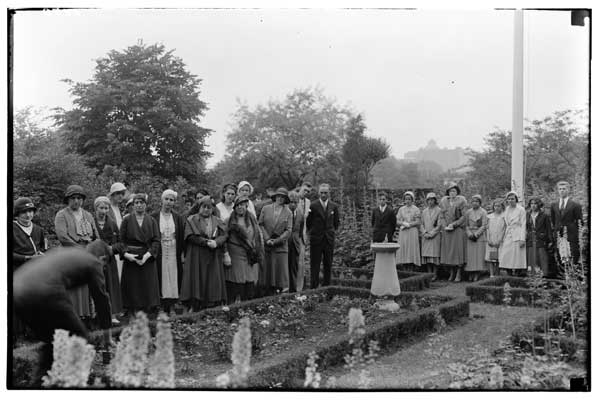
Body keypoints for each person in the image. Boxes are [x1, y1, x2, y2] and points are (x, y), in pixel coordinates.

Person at [13, 243, 112, 387]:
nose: (102, 268)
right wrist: (107, 335)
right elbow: (101, 299)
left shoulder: (69, 252)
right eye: (104, 265)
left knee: (54, 342)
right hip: (44, 292)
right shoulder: (93, 261)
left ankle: (40, 385)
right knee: (80, 341)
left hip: (17, 292)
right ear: (103, 257)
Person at [54, 185, 99, 320]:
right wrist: (79, 249)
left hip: (86, 253)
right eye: (73, 198)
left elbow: (96, 234)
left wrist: (94, 247)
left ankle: (86, 316)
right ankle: (73, 317)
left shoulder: (88, 215)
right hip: (70, 254)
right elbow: (62, 236)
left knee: (86, 286)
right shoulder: (62, 215)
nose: (76, 201)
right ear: (67, 199)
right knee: (73, 286)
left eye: (79, 198)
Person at [180, 196, 228, 310]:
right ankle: (195, 304)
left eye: (209, 207)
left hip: (213, 255)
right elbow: (190, 236)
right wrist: (206, 242)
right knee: (197, 278)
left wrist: (216, 242)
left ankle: (212, 304)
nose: (206, 209)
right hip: (197, 254)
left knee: (212, 279)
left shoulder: (218, 220)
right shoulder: (191, 219)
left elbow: (225, 235)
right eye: (204, 207)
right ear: (199, 207)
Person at [119, 193, 161, 315]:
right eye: (136, 203)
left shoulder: (152, 220)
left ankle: (147, 310)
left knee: (146, 285)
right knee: (132, 285)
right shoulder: (127, 220)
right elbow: (121, 240)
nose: (139, 205)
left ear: (145, 204)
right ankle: (131, 310)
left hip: (146, 257)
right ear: (133, 205)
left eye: (141, 202)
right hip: (131, 257)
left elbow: (156, 240)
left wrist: (148, 255)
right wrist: (127, 255)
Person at [150, 189, 185, 314]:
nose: (169, 202)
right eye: (167, 199)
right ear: (162, 200)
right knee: (161, 275)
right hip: (160, 251)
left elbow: (181, 235)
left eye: (171, 200)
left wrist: (181, 253)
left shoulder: (178, 217)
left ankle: (171, 305)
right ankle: (160, 305)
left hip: (173, 250)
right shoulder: (153, 216)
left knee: (173, 275)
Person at [225, 196, 262, 303]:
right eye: (238, 205)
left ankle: (247, 309)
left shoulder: (252, 219)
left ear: (247, 206)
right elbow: (224, 239)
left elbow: (257, 236)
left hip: (249, 256)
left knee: (249, 284)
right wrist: (225, 254)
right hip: (235, 256)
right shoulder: (229, 221)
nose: (240, 207)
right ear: (235, 207)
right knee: (236, 284)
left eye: (243, 205)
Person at [93, 196, 123, 323]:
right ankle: (96, 313)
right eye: (101, 208)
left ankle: (112, 314)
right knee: (98, 286)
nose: (104, 211)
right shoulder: (90, 222)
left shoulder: (112, 223)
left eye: (106, 208)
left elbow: (121, 243)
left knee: (111, 286)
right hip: (95, 260)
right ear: (95, 208)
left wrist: (112, 248)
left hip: (109, 261)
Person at [259, 187, 293, 294]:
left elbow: (288, 230)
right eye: (278, 196)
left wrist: (277, 241)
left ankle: (279, 295)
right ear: (275, 197)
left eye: (283, 197)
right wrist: (267, 239)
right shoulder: (266, 208)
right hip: (267, 246)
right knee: (266, 275)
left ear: (285, 199)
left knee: (280, 277)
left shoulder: (288, 212)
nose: (280, 199)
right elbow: (260, 224)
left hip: (280, 248)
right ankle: (265, 294)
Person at [306, 183, 340, 289]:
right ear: (318, 193)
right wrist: (314, 232)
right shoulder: (313, 205)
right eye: (322, 193)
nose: (324, 195)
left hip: (329, 239)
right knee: (315, 265)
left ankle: (327, 289)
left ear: (329, 193)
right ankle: (313, 289)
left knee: (328, 265)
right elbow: (309, 223)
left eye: (326, 193)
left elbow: (336, 223)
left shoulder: (334, 206)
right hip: (316, 239)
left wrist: (330, 232)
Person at [550, 181, 583, 268]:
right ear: (558, 190)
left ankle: (572, 276)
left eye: (564, 189)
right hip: (558, 235)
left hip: (571, 234)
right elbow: (553, 220)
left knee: (572, 255)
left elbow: (580, 221)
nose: (562, 191)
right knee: (560, 254)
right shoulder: (554, 205)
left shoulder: (575, 205)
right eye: (560, 189)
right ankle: (562, 277)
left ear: (568, 190)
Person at [439, 182, 468, 282]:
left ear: (457, 192)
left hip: (458, 230)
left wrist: (454, 224)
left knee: (458, 252)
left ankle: (459, 273)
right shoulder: (444, 201)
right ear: (447, 192)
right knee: (449, 252)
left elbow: (464, 216)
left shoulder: (462, 201)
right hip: (447, 231)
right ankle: (452, 272)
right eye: (450, 191)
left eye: (454, 191)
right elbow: (441, 216)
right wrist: (445, 225)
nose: (452, 193)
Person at [12, 197, 46, 270]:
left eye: (30, 211)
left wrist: (41, 253)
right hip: (18, 269)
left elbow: (42, 248)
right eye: (24, 212)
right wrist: (27, 258)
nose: (28, 215)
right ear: (17, 214)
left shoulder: (39, 230)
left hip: (36, 268)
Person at [499, 191, 527, 275]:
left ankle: (518, 273)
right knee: (506, 254)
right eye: (509, 199)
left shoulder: (521, 209)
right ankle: (509, 272)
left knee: (517, 255)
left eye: (512, 199)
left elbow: (523, 224)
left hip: (517, 233)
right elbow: (504, 223)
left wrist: (522, 239)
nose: (510, 200)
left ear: (516, 199)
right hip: (508, 234)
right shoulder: (506, 209)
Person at [526, 197, 553, 278]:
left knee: (541, 257)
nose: (533, 205)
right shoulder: (527, 214)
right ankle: (531, 274)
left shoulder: (544, 215)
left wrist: (550, 240)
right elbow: (526, 227)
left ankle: (543, 275)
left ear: (539, 205)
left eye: (535, 204)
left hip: (541, 238)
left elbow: (549, 228)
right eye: (532, 204)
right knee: (531, 257)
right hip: (530, 238)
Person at [395, 191, 421, 270]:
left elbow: (418, 221)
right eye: (406, 199)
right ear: (404, 200)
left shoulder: (416, 209)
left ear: (412, 200)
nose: (407, 201)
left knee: (411, 249)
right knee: (404, 248)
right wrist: (403, 223)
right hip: (404, 232)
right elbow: (397, 221)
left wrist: (409, 224)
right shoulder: (401, 209)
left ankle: (411, 268)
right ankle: (405, 268)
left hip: (412, 231)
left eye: (409, 199)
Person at [464, 195, 488, 281]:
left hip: (479, 236)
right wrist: (470, 234)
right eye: (473, 201)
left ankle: (477, 273)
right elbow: (466, 225)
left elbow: (484, 225)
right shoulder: (468, 212)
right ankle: (471, 272)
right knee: (470, 256)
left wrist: (476, 234)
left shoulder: (483, 212)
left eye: (477, 201)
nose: (475, 203)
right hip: (470, 235)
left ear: (480, 203)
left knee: (478, 255)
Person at [108, 182, 127, 281]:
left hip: (119, 245)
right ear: (113, 194)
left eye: (122, 194)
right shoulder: (107, 208)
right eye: (118, 193)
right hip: (111, 245)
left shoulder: (118, 209)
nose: (121, 196)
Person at [287, 191, 305, 293]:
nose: (293, 204)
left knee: (294, 268)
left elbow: (300, 230)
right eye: (291, 202)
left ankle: (293, 291)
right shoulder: (284, 212)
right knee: (284, 268)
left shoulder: (300, 214)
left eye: (295, 202)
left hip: (295, 244)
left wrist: (299, 241)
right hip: (284, 244)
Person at [420, 192, 442, 279]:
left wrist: (432, 233)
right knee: (427, 255)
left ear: (435, 200)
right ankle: (429, 273)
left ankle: (435, 273)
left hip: (435, 236)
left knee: (434, 254)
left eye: (432, 200)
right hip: (425, 236)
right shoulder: (424, 211)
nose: (430, 201)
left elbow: (439, 224)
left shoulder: (439, 210)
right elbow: (421, 224)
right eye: (428, 200)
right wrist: (424, 232)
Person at [485, 198, 506, 278]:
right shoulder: (489, 216)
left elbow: (504, 228)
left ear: (502, 207)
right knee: (491, 257)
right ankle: (491, 274)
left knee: (498, 257)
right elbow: (487, 228)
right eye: (495, 206)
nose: (497, 208)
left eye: (499, 206)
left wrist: (500, 240)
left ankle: (497, 273)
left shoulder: (504, 216)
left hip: (500, 239)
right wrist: (488, 239)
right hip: (491, 238)